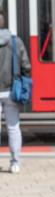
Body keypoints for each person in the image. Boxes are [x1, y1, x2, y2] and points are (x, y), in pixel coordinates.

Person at [0, 13, 31, 174]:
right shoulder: (15, 41)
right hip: (12, 91)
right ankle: (15, 163)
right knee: (13, 128)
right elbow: (26, 66)